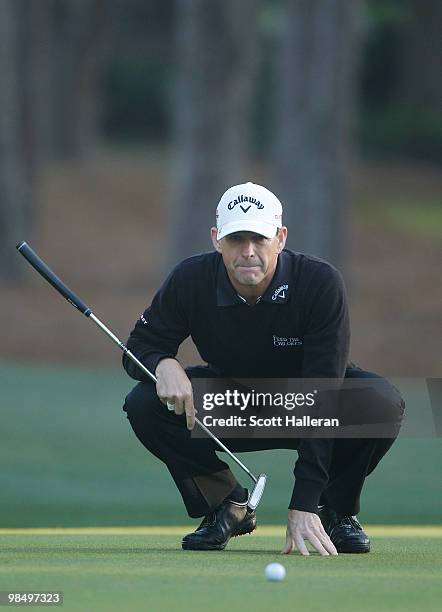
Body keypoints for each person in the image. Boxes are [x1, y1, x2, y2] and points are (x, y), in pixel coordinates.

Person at [122, 182, 404, 556]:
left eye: (259, 238)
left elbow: (322, 395)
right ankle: (226, 504)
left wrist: (305, 500)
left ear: (281, 237)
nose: (248, 252)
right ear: (216, 240)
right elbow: (137, 348)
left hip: (312, 401)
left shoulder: (319, 282)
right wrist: (163, 363)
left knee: (380, 404)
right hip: (235, 402)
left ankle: (331, 509)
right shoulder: (191, 279)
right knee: (144, 403)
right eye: (236, 239)